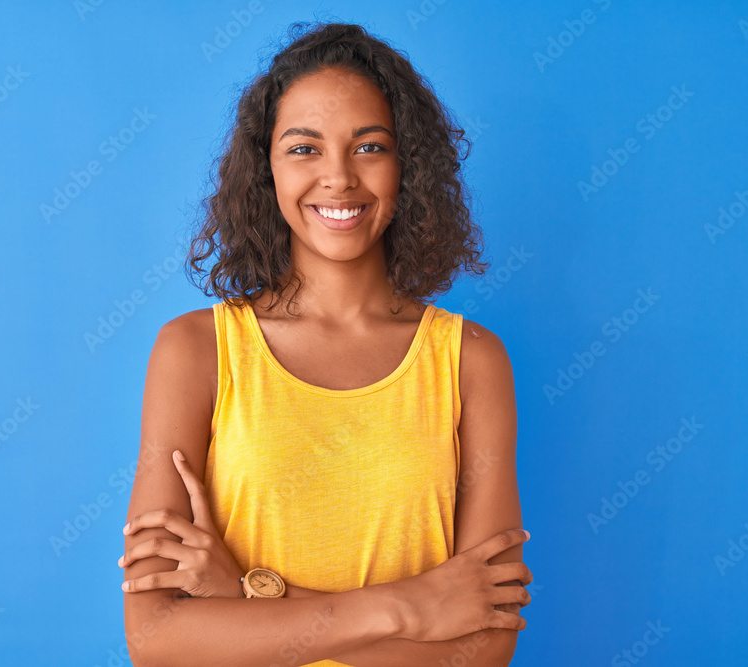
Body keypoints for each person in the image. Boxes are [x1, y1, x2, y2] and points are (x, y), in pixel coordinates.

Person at [118, 21, 532, 667]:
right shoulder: (196, 351)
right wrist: (409, 607)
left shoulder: (470, 359)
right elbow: (155, 638)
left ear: (408, 164)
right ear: (266, 168)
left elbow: (483, 647)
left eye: (369, 147)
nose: (338, 178)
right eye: (304, 148)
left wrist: (251, 594)